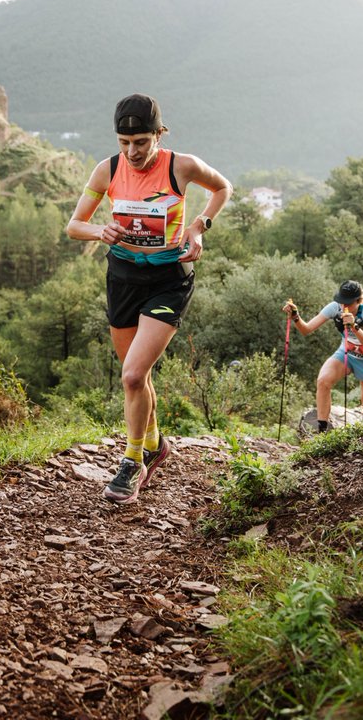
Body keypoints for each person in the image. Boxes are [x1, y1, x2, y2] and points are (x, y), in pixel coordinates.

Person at [67, 94, 232, 503]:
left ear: (159, 134)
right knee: (136, 376)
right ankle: (156, 443)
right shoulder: (106, 169)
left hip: (168, 280)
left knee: (132, 376)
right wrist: (99, 232)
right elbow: (74, 225)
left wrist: (198, 226)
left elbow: (222, 187)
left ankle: (132, 462)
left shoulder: (182, 165)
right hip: (122, 276)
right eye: (125, 143)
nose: (132, 152)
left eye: (141, 142)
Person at [283, 280, 363, 432]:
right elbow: (306, 329)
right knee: (323, 381)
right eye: (342, 302)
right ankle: (322, 432)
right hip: (346, 354)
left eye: (348, 303)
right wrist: (295, 316)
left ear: (358, 300)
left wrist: (354, 326)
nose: (344, 306)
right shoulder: (334, 308)